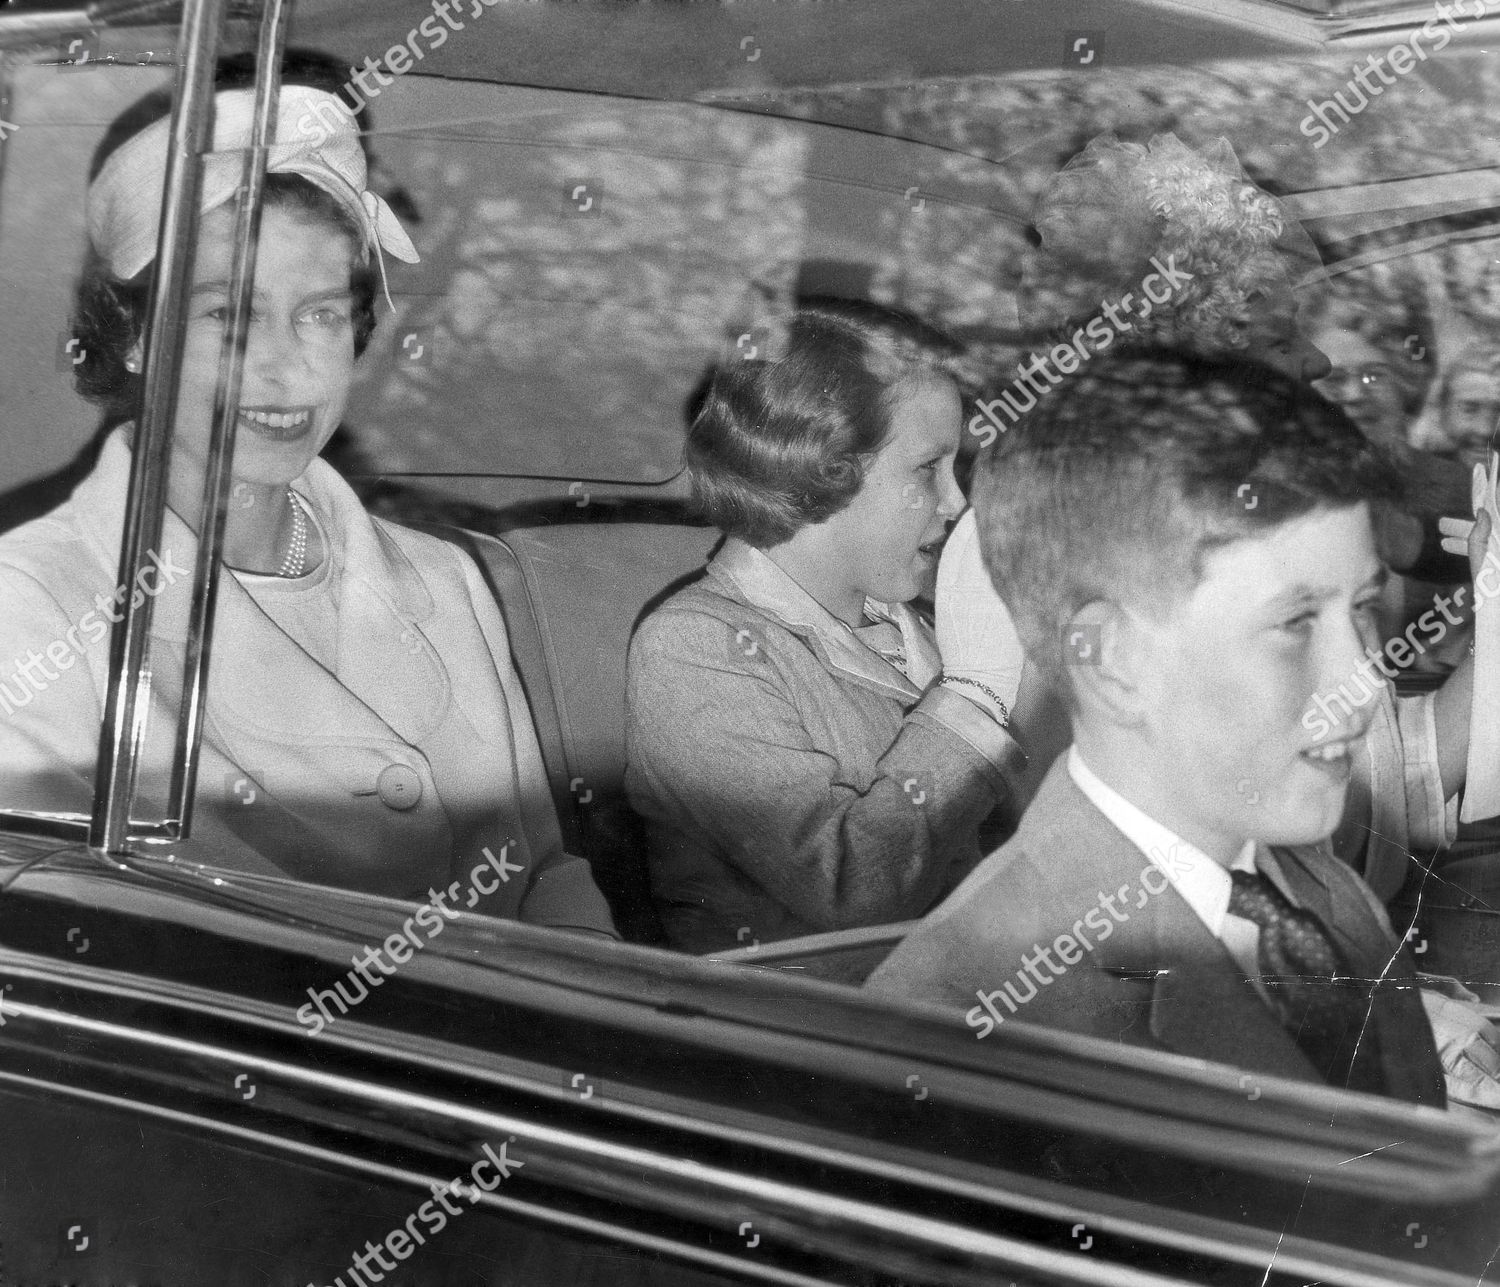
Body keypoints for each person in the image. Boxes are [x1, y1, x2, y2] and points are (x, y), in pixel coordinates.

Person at [0, 84, 616, 934]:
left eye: (321, 314)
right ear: (135, 335)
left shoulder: (444, 578)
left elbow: (545, 876)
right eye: (228, 313)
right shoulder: (30, 607)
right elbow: (100, 953)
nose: (284, 369)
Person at [867, 351, 1451, 1105]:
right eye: (1296, 622)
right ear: (1112, 660)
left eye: (1363, 608)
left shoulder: (1319, 891)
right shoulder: (955, 1028)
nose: (1367, 680)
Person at [625, 298, 1039, 953]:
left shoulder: (920, 628)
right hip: (807, 1029)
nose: (958, 503)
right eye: (928, 468)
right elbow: (850, 890)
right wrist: (974, 692)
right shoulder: (694, 649)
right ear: (828, 468)